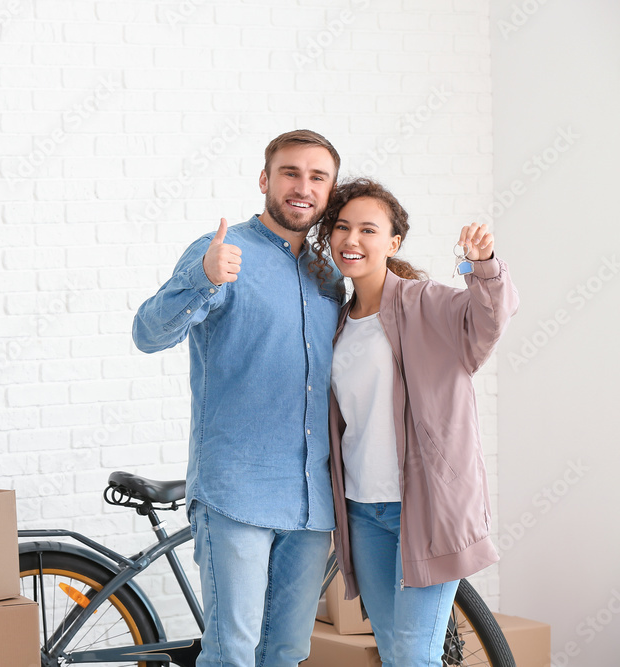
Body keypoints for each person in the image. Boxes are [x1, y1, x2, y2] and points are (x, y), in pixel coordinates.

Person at [132, 130, 345, 667]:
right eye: (290, 173)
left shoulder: (329, 274)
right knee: (232, 654)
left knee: (287, 652)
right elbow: (148, 333)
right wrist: (202, 279)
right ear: (264, 180)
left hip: (312, 499)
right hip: (238, 492)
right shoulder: (223, 252)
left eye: (317, 177)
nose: (303, 187)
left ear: (330, 190)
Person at [314, 178, 519, 667]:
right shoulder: (338, 323)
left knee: (413, 656)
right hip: (364, 510)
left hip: (425, 509)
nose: (352, 240)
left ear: (393, 242)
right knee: (395, 651)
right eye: (342, 227)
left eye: (368, 229)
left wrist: (481, 266)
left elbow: (489, 321)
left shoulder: (425, 303)